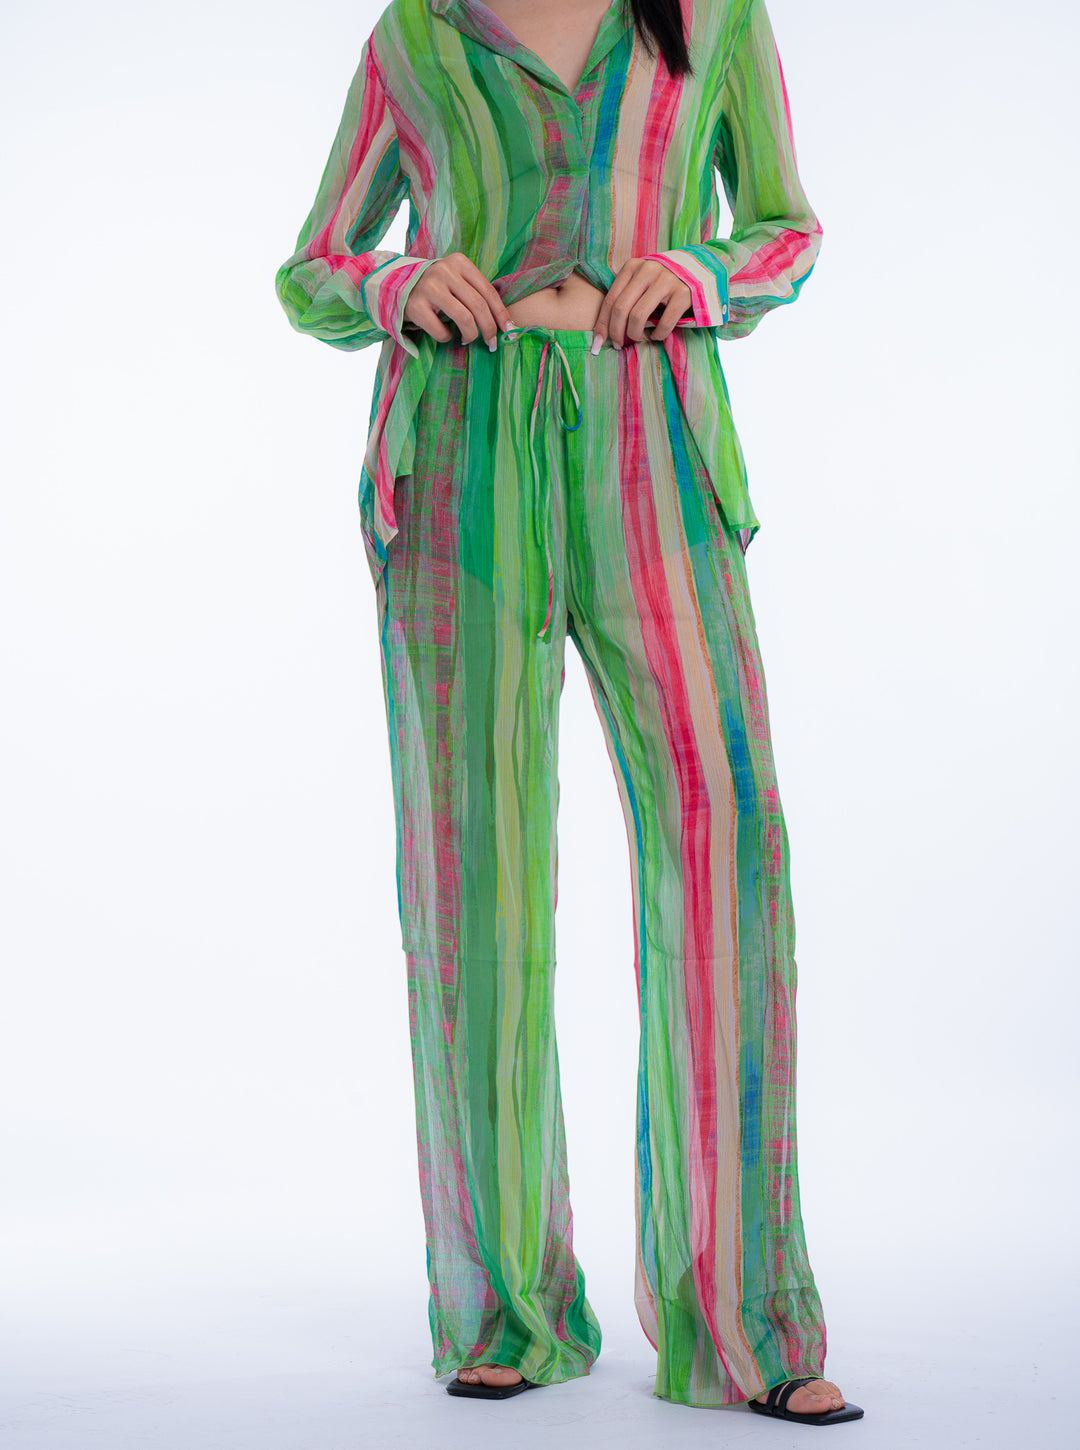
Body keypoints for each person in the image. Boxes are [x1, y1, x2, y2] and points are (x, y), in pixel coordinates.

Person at [274, 0, 863, 1425]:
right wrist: (397, 285)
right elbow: (313, 265)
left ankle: (747, 1325)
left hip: (656, 448)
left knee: (725, 853)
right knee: (473, 884)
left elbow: (786, 228)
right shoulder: (416, 37)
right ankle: (504, 1308)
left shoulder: (712, 21)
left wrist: (699, 267)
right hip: (457, 460)